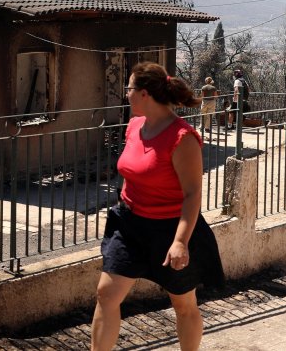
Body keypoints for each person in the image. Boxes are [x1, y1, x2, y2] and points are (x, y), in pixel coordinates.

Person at [92, 62, 224, 351]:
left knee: (183, 304)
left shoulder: (182, 137)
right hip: (129, 225)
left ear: (144, 94)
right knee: (106, 294)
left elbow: (192, 194)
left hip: (169, 229)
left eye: (129, 89)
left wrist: (180, 242)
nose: (125, 94)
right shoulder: (135, 125)